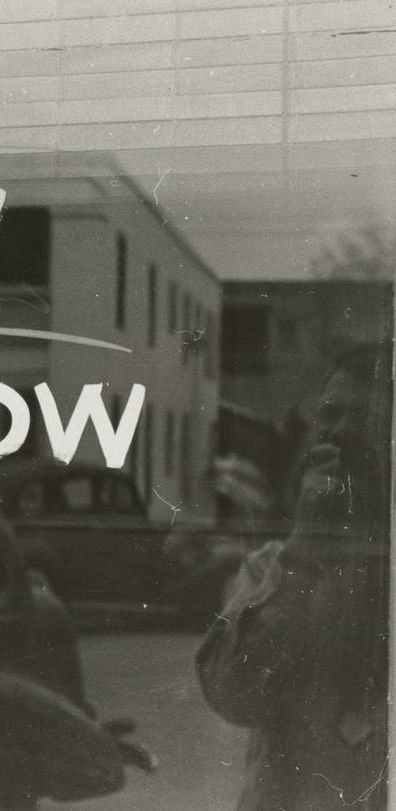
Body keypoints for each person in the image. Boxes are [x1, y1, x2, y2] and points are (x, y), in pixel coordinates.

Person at [196, 343, 392, 811]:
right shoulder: (273, 569)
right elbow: (233, 697)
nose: (338, 435)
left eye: (362, 419)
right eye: (331, 415)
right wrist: (304, 547)